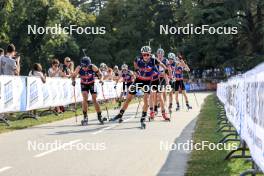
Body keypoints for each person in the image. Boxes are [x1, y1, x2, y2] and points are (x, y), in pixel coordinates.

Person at [110, 46, 168, 129]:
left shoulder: (153, 60)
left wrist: (165, 69)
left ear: (150, 54)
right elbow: (135, 63)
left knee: (146, 100)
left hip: (147, 82)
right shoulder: (138, 59)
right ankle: (120, 114)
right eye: (144, 55)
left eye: (148, 55)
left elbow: (162, 64)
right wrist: (136, 69)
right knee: (128, 98)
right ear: (142, 54)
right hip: (138, 81)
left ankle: (143, 119)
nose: (146, 57)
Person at [72, 56, 106, 125]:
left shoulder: (93, 67)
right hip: (84, 84)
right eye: (83, 66)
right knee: (85, 98)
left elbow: (100, 74)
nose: (84, 68)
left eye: (86, 66)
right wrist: (73, 81)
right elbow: (73, 76)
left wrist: (101, 80)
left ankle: (99, 115)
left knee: (94, 99)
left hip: (92, 83)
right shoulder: (79, 68)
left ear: (89, 64)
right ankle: (85, 116)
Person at [149, 48, 170, 121]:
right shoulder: (154, 60)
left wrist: (168, 81)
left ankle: (164, 112)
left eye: (161, 53)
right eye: (159, 53)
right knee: (153, 95)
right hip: (154, 79)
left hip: (162, 79)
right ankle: (153, 111)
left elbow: (167, 70)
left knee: (161, 95)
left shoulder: (165, 60)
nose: (160, 55)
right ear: (157, 54)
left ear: (163, 54)